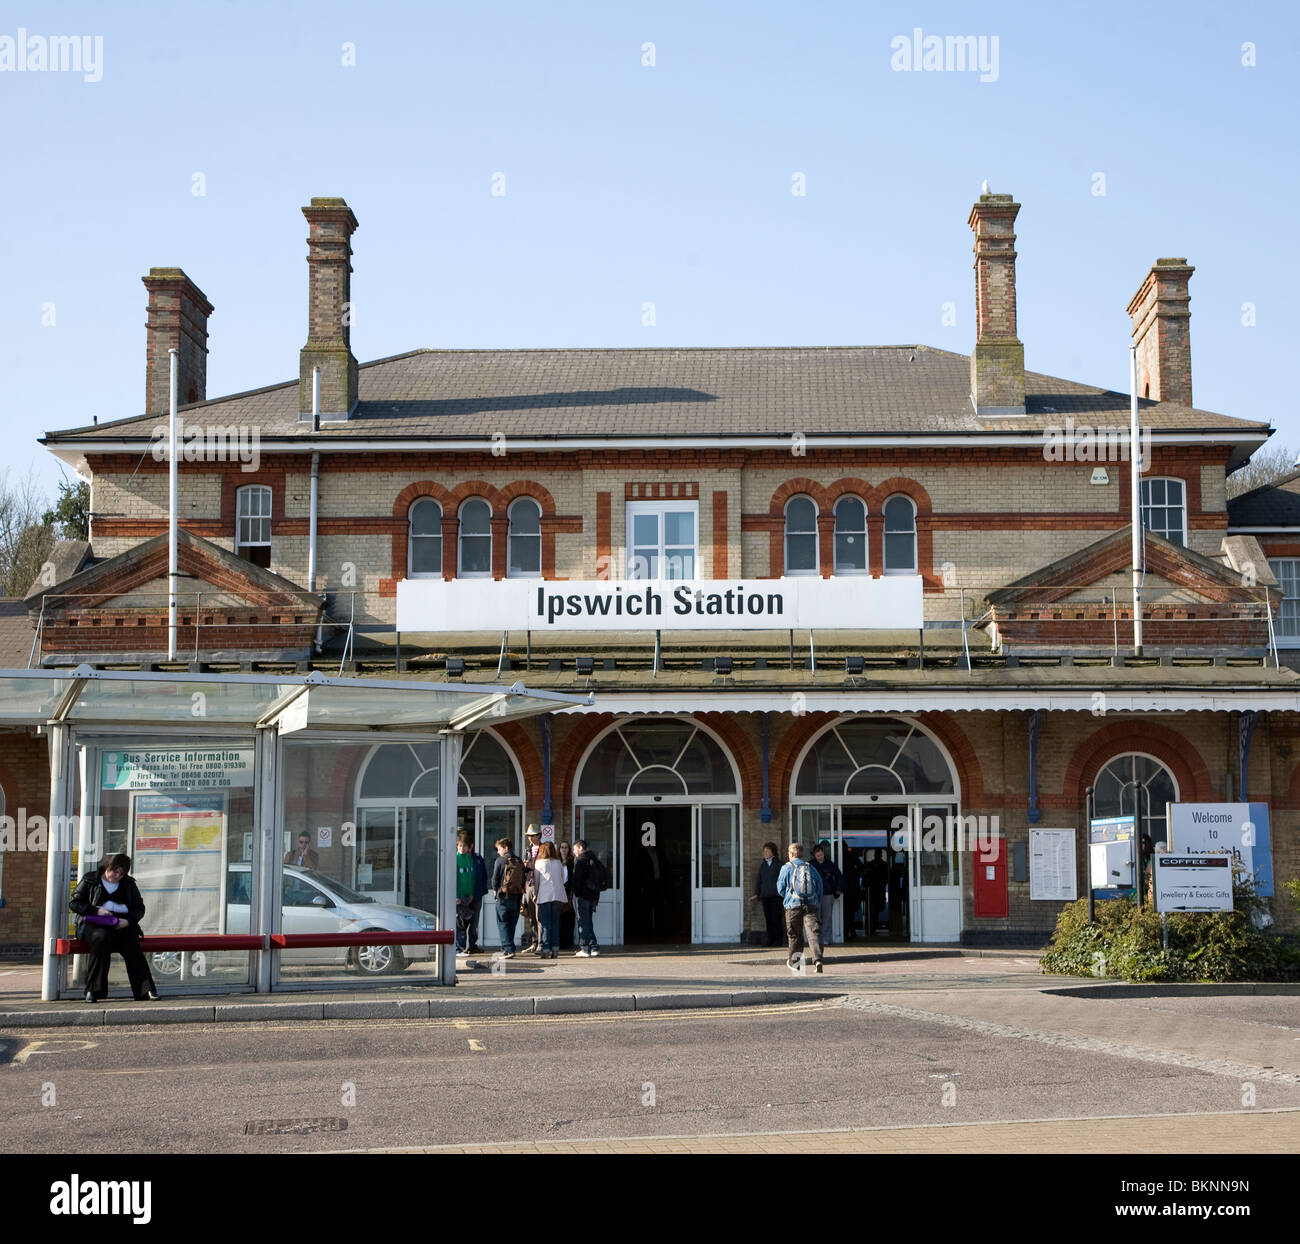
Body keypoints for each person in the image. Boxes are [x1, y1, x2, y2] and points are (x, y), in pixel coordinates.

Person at [68, 853, 159, 1002]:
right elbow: (75, 903)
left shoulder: (128, 884)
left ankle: (146, 990)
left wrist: (128, 921)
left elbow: (139, 908)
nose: (117, 876)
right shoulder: (91, 879)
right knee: (101, 938)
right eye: (114, 871)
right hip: (93, 924)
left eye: (121, 873)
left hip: (120, 925)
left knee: (132, 944)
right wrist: (96, 910)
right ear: (107, 867)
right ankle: (93, 990)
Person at [777, 841, 823, 974]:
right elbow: (819, 886)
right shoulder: (810, 867)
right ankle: (817, 960)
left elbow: (780, 888)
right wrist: (816, 901)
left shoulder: (786, 868)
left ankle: (796, 964)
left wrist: (787, 898)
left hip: (793, 905)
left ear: (791, 854)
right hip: (811, 904)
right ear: (801, 854)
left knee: (794, 935)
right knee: (813, 933)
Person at [454, 831, 488, 957]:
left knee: (470, 922)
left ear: (470, 847)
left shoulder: (471, 859)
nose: (462, 848)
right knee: (460, 923)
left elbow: (472, 878)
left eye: (464, 846)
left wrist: (472, 894)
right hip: (460, 896)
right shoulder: (455, 858)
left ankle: (468, 946)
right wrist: (456, 895)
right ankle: (459, 948)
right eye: (460, 846)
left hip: (469, 895)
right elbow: (455, 879)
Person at [490, 837, 526, 957]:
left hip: (503, 896)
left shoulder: (500, 860)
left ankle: (508, 949)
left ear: (506, 848)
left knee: (503, 922)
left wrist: (495, 890)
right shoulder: (519, 861)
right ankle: (509, 947)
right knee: (512, 923)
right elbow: (523, 879)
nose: (498, 852)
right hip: (517, 895)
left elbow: (495, 878)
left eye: (499, 849)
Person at [532, 842, 568, 959]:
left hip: (544, 896)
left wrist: (535, 894)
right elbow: (563, 878)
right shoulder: (558, 863)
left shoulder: (539, 863)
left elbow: (536, 882)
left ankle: (546, 949)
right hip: (557, 895)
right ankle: (555, 949)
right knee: (555, 922)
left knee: (546, 924)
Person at [570, 839, 604, 957]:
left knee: (583, 922)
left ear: (580, 848)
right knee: (588, 922)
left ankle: (585, 948)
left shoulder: (580, 860)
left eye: (575, 849)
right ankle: (594, 947)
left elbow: (577, 879)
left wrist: (577, 893)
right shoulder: (594, 859)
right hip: (593, 896)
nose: (574, 852)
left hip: (583, 896)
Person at [749, 841, 783, 947]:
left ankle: (778, 940)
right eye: (764, 851)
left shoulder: (779, 864)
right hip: (765, 896)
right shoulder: (763, 865)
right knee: (768, 919)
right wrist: (756, 893)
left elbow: (782, 880)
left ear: (773, 852)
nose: (765, 853)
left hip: (776, 896)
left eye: (767, 851)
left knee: (776, 919)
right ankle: (770, 939)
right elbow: (759, 880)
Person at [812, 841, 843, 944]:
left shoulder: (830, 865)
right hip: (815, 895)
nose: (819, 857)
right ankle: (816, 939)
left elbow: (839, 877)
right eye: (817, 856)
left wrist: (838, 890)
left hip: (827, 893)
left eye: (821, 855)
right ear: (814, 855)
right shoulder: (811, 865)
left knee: (827, 918)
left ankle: (825, 939)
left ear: (823, 853)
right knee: (816, 918)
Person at [520, 825, 542, 953]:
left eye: (533, 835)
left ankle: (540, 943)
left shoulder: (544, 848)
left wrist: (532, 865)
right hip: (529, 883)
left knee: (540, 916)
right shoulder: (527, 850)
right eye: (529, 836)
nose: (530, 838)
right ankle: (534, 943)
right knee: (531, 916)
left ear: (539, 835)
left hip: (539, 884)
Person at [558, 839, 576, 950]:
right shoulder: (556, 861)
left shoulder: (572, 861)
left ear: (569, 850)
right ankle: (560, 942)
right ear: (559, 849)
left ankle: (568, 942)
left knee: (569, 918)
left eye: (566, 847)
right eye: (562, 847)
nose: (564, 849)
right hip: (559, 892)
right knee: (559, 917)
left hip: (569, 892)